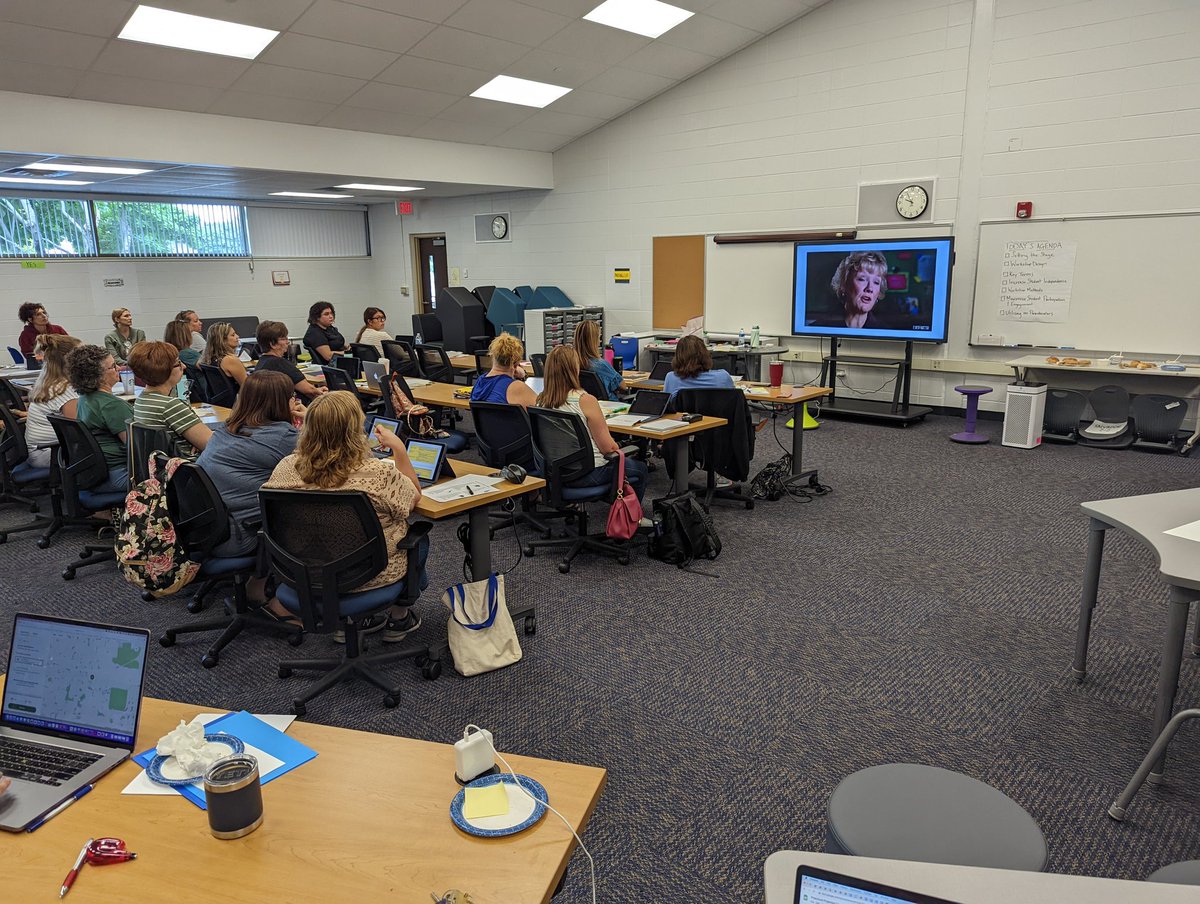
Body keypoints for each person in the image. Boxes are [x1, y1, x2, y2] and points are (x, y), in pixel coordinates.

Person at [264, 391, 427, 643]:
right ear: (355, 430)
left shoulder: (286, 467)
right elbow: (414, 498)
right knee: (418, 540)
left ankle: (350, 623)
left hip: (304, 574)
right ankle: (399, 618)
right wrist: (399, 449)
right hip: (369, 576)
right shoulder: (378, 473)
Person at [197, 370, 305, 625]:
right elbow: (329, 461)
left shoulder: (228, 427)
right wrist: (311, 419)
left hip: (204, 529)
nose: (294, 400)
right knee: (313, 515)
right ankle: (282, 603)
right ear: (279, 402)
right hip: (238, 536)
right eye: (291, 396)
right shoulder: (281, 436)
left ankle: (255, 588)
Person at [535, 345, 647, 503]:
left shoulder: (540, 400)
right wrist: (620, 445)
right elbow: (608, 448)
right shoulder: (585, 400)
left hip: (554, 473)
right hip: (588, 473)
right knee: (640, 469)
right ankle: (630, 522)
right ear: (574, 370)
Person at [129, 340, 212, 459]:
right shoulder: (170, 405)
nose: (184, 366)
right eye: (178, 363)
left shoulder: (141, 400)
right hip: (190, 471)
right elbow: (212, 446)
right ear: (163, 370)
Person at [66, 344, 130, 493]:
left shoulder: (85, 398)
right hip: (117, 474)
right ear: (98, 375)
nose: (118, 369)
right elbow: (137, 448)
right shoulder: (112, 405)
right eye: (113, 366)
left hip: (95, 473)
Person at [24, 334, 82, 467]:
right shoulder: (64, 389)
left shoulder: (49, 380)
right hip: (52, 453)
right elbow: (79, 432)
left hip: (41, 450)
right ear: (69, 360)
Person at [808, 251, 890, 329]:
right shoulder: (819, 328)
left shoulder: (886, 333)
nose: (870, 288)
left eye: (876, 282)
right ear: (844, 285)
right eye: (862, 279)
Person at [255, 320, 326, 401]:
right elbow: (309, 390)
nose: (287, 342)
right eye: (283, 339)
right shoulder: (280, 364)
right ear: (273, 344)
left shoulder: (261, 363)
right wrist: (324, 393)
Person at [470, 332, 536, 407]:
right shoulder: (516, 387)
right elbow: (541, 408)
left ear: (493, 357)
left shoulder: (479, 383)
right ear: (516, 364)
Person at [663, 335, 736, 396]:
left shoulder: (672, 378)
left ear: (678, 357)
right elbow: (733, 404)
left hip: (683, 413)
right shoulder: (722, 377)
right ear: (705, 354)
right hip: (715, 413)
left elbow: (667, 406)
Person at [572, 319, 621, 401]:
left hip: (583, 403)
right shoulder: (600, 364)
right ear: (594, 341)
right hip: (608, 406)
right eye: (598, 338)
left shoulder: (571, 362)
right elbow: (623, 386)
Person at [200, 322, 249, 386]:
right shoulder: (230, 360)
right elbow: (247, 386)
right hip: (238, 395)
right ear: (223, 340)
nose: (237, 336)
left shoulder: (206, 358)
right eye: (233, 335)